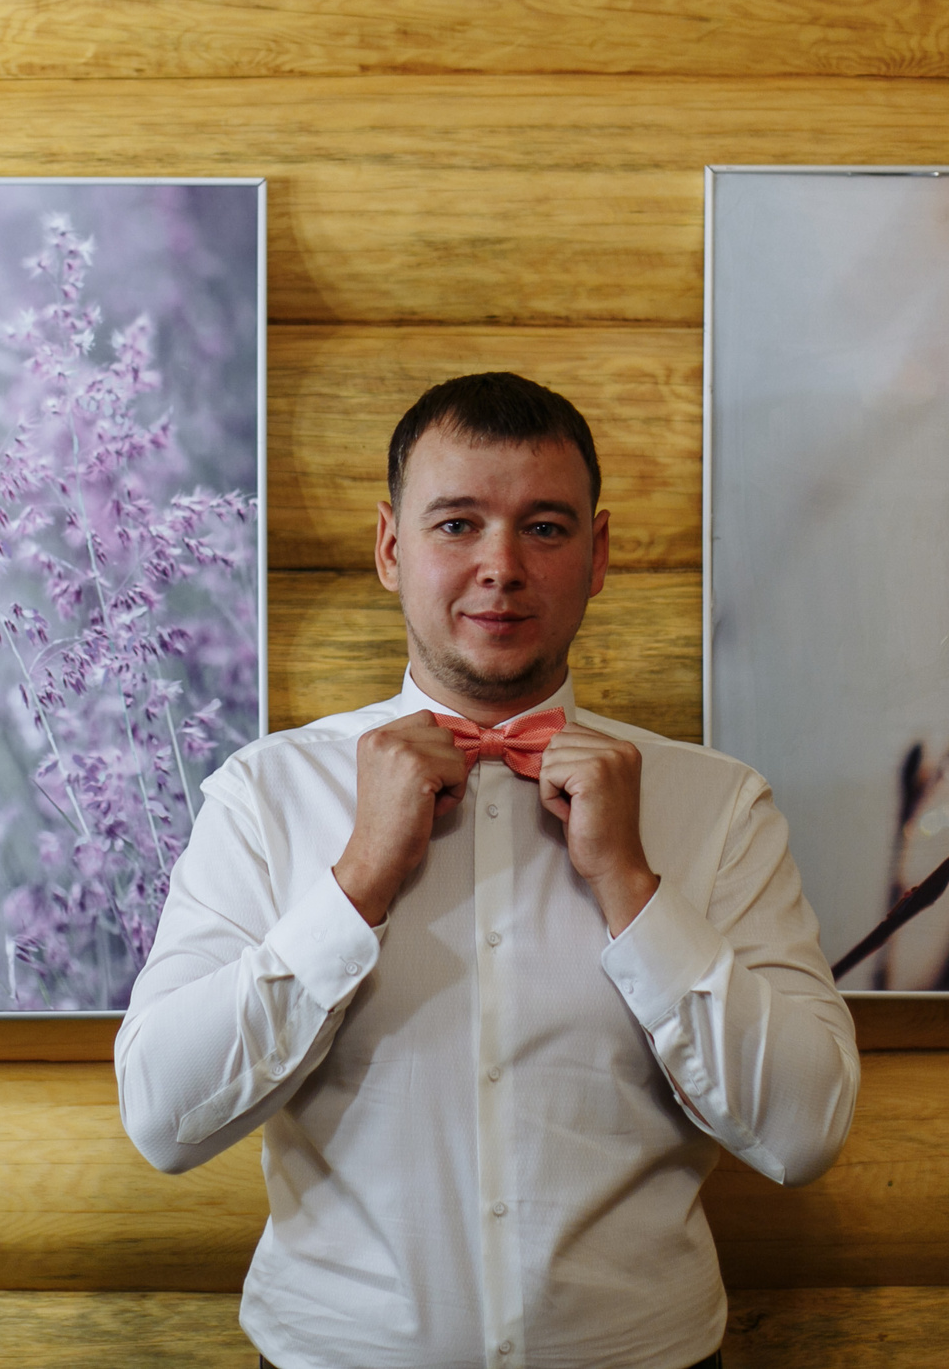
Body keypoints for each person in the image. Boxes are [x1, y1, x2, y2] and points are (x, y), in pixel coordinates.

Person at [116, 371, 859, 1369]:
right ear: (392, 548)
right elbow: (163, 1117)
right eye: (457, 524)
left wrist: (633, 888)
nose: (500, 567)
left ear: (596, 554)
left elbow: (804, 1131)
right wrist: (356, 883)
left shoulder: (720, 806)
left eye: (544, 528)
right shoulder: (262, 796)